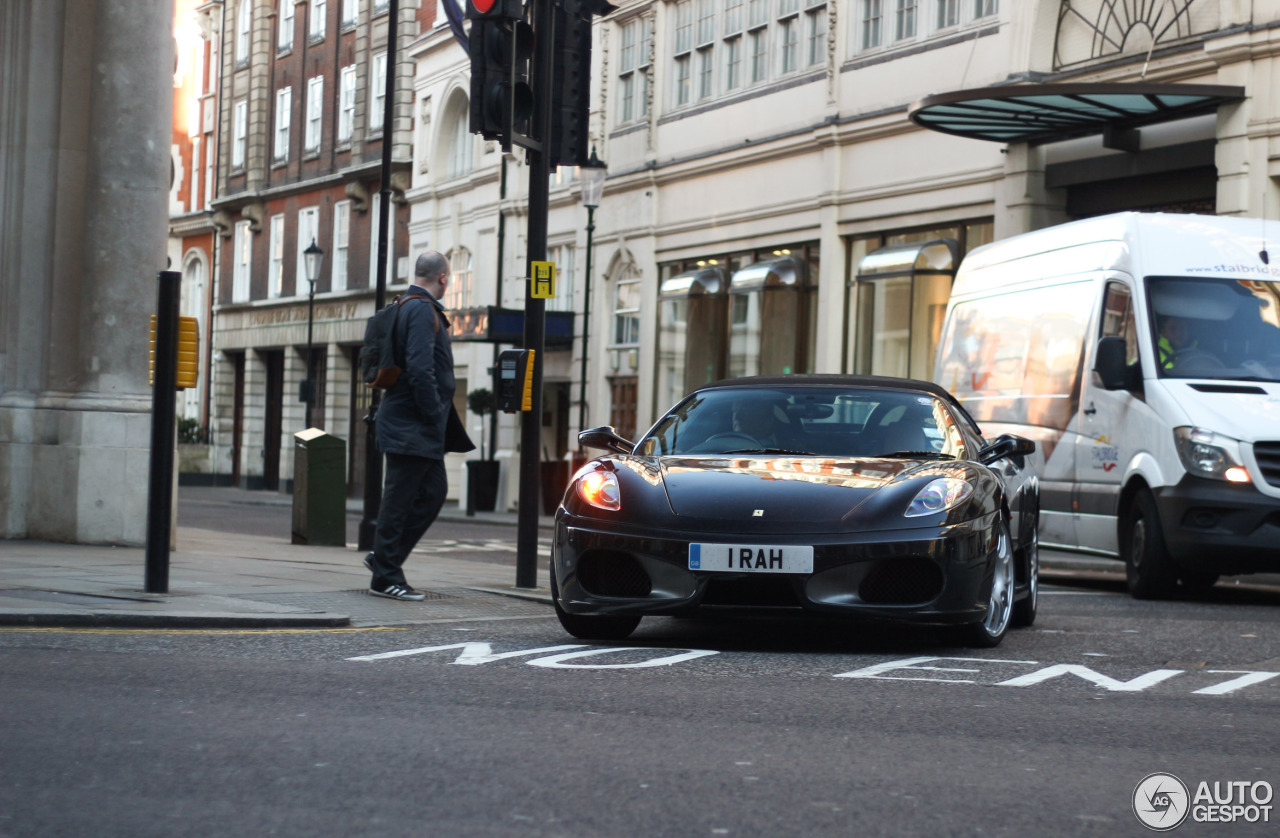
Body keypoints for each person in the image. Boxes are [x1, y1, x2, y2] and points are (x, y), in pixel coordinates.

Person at [364, 251, 457, 601]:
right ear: (443, 278)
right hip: (412, 424)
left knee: (432, 494)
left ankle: (383, 558)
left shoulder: (411, 305)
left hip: (414, 425)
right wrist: (434, 413)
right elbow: (420, 368)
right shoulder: (419, 309)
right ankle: (385, 576)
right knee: (398, 501)